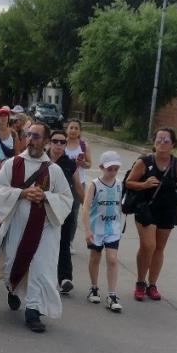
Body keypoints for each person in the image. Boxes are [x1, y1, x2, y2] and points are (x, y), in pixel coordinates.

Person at [0, 123, 73, 333]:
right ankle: (13, 288)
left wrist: (45, 196)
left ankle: (33, 311)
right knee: (15, 263)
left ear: (45, 142)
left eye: (36, 136)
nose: (31, 140)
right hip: (17, 224)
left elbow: (66, 199)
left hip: (45, 230)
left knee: (40, 269)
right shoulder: (13, 164)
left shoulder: (54, 170)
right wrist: (21, 193)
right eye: (29, 135)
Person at [125, 127, 177, 301]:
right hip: (145, 209)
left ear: (173, 144)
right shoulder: (144, 162)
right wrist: (144, 184)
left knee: (159, 248)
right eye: (159, 140)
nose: (162, 143)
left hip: (167, 210)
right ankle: (140, 282)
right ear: (154, 143)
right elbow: (129, 182)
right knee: (148, 245)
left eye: (166, 140)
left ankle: (152, 284)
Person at [82, 151, 123, 312]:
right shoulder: (94, 184)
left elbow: (119, 204)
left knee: (112, 259)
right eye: (109, 169)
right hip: (95, 229)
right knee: (95, 257)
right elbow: (85, 207)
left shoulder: (119, 184)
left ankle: (112, 295)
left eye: (115, 168)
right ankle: (94, 287)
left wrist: (120, 224)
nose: (112, 172)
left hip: (113, 228)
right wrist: (86, 230)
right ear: (101, 168)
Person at [47, 129, 84, 294]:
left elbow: (77, 186)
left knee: (64, 243)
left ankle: (65, 278)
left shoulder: (69, 163)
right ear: (49, 142)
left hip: (64, 210)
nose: (59, 145)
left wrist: (88, 207)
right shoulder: (41, 159)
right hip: (43, 209)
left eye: (63, 142)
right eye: (55, 141)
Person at [64, 119, 90, 243]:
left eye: (76, 128)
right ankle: (58, 239)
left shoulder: (83, 145)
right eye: (71, 127)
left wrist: (83, 163)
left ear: (80, 131)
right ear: (67, 129)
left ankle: (69, 241)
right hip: (62, 182)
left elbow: (89, 164)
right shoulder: (61, 143)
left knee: (74, 213)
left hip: (79, 183)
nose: (73, 130)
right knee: (60, 211)